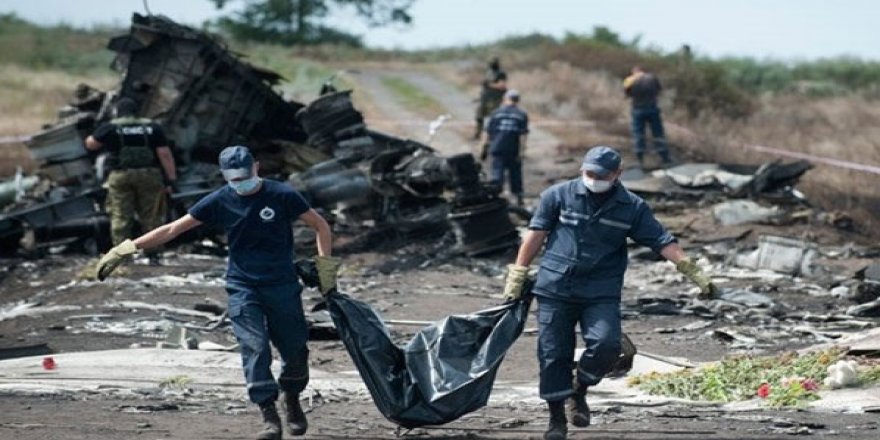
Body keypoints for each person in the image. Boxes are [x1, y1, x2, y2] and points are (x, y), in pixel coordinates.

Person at [94, 146, 340, 440]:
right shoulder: (220, 200)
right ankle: (269, 416)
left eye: (244, 176)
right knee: (255, 347)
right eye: (233, 179)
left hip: (282, 285)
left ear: (256, 167)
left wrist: (326, 271)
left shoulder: (281, 194)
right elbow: (173, 229)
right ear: (224, 176)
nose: (240, 183)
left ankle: (292, 397)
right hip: (243, 286)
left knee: (295, 351)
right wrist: (127, 248)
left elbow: (320, 226)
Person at [500, 146, 716, 440]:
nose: (595, 179)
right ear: (582, 169)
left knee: (607, 345)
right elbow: (536, 234)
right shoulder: (558, 195)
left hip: (600, 290)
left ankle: (579, 388)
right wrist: (518, 272)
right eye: (590, 173)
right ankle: (556, 419)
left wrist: (691, 269)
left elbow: (661, 240)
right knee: (553, 354)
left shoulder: (632, 207)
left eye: (602, 175)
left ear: (617, 174)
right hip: (556, 287)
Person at [85, 97, 177, 262]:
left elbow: (91, 144)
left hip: (120, 176)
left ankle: (122, 257)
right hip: (149, 175)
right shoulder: (152, 127)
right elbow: (165, 154)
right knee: (152, 216)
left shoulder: (110, 127)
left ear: (118, 111)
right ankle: (153, 254)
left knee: (121, 216)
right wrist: (170, 180)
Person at [481, 89, 529, 206]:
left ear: (505, 99)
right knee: (515, 174)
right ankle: (518, 198)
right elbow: (523, 135)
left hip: (497, 148)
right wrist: (522, 152)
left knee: (497, 173)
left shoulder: (495, 113)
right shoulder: (521, 114)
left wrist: (483, 148)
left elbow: (486, 132)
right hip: (513, 149)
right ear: (517, 100)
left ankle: (495, 197)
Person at [623, 66, 671, 167]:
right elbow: (659, 90)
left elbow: (627, 94)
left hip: (637, 109)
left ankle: (640, 158)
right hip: (652, 108)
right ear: (643, 71)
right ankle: (664, 157)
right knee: (658, 133)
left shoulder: (630, 80)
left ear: (633, 72)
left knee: (638, 133)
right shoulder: (652, 78)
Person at [473, 57, 508, 139]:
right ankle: (478, 134)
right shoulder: (489, 72)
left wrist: (489, 84)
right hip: (485, 98)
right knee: (479, 116)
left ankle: (493, 135)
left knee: (493, 117)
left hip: (495, 99)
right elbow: (485, 84)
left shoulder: (501, 73)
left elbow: (502, 86)